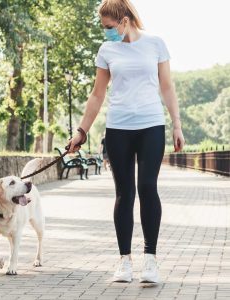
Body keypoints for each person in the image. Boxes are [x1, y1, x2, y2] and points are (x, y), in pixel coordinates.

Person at [66, 0, 185, 284]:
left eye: (109, 27)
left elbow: (167, 86)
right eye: (103, 27)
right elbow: (97, 95)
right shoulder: (106, 50)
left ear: (125, 20)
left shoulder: (156, 44)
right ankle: (124, 262)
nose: (105, 32)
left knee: (147, 187)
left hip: (151, 126)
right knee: (125, 194)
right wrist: (81, 131)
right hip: (118, 128)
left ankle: (151, 261)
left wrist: (176, 124)